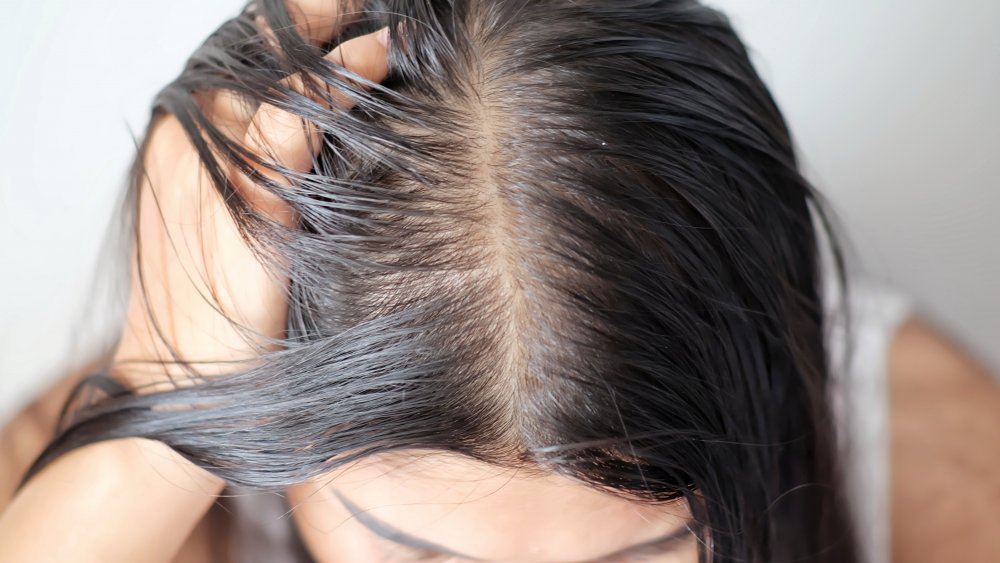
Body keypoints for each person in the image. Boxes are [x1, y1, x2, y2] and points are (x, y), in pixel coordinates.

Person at [1, 1, 999, 561]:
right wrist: (162, 436)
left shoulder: (939, 463)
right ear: (275, 428)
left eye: (635, 560)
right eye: (424, 558)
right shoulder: (159, 480)